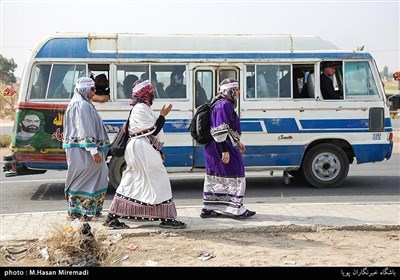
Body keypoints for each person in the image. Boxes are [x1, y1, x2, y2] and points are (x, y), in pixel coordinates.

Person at [104, 79, 186, 229]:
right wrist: (163, 115)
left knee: (133, 180)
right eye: (151, 91)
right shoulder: (140, 108)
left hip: (142, 148)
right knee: (159, 179)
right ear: (144, 93)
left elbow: (148, 133)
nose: (153, 93)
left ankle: (112, 217)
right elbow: (152, 130)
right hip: (140, 149)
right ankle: (167, 218)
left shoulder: (143, 108)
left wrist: (158, 151)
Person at [200, 78, 256, 219]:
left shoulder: (222, 103)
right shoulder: (224, 105)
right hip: (219, 146)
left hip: (215, 146)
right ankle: (235, 208)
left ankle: (208, 208)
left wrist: (237, 141)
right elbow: (219, 130)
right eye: (236, 89)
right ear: (228, 90)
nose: (238, 92)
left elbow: (227, 127)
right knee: (236, 173)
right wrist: (225, 150)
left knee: (216, 176)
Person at [62, 77, 110, 221]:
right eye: (92, 89)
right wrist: (93, 150)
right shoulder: (81, 105)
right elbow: (85, 128)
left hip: (85, 149)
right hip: (83, 151)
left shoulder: (84, 103)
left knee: (98, 175)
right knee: (83, 177)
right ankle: (77, 211)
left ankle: (89, 209)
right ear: (84, 89)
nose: (94, 92)